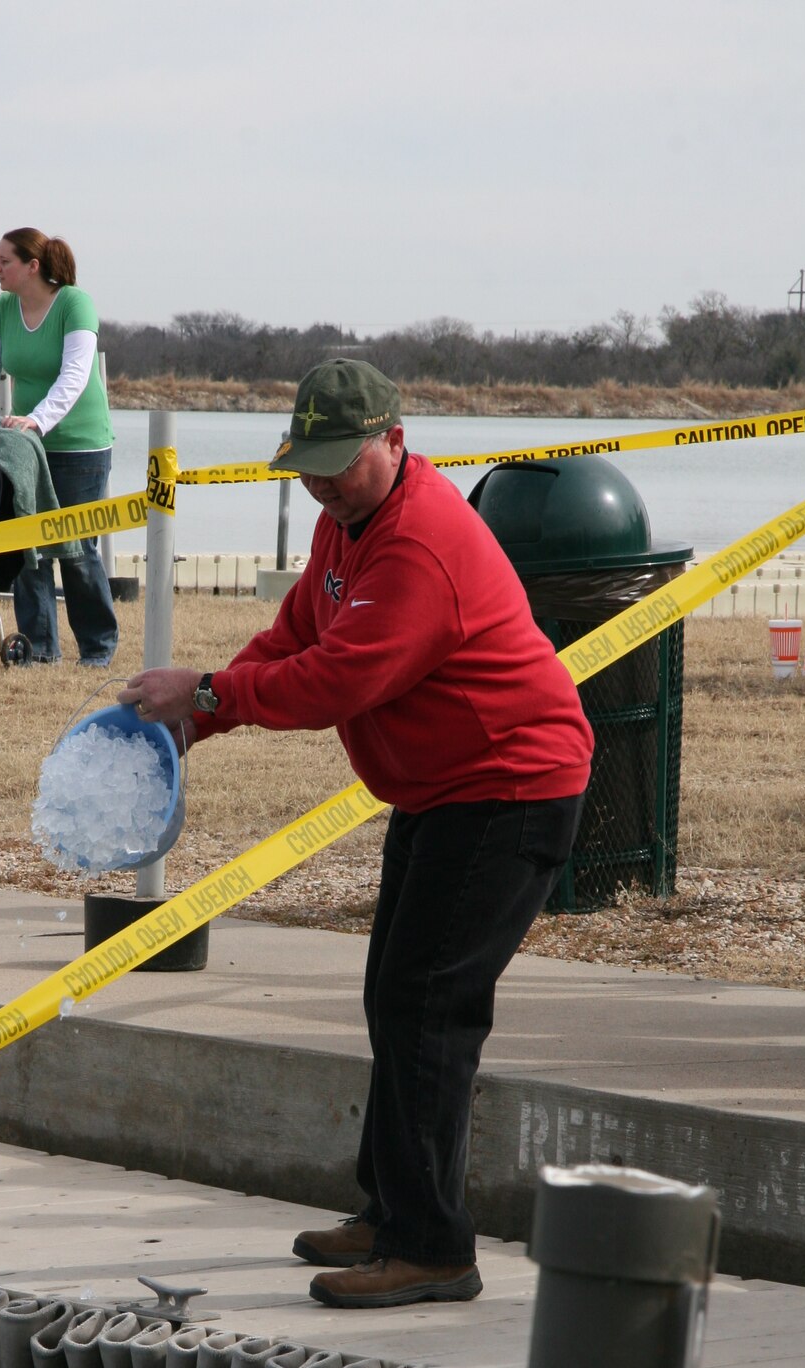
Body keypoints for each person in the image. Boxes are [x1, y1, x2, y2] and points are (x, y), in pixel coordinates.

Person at [119, 359, 594, 1310]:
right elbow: (291, 638)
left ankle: (433, 1250)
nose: (325, 482)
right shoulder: (351, 530)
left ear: (394, 440)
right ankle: (391, 1211)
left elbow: (338, 679)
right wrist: (192, 721)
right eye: (310, 464)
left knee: (427, 1011)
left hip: (508, 788)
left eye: (342, 462)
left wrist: (208, 691)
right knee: (395, 998)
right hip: (441, 789)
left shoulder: (417, 545)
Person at [0, 228, 118, 667]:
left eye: (4, 260)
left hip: (79, 444)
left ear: (32, 266)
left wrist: (38, 420)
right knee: (28, 544)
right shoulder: (1, 308)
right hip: (24, 448)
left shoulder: (74, 302)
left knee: (77, 548)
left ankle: (97, 648)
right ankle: (40, 649)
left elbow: (75, 375)